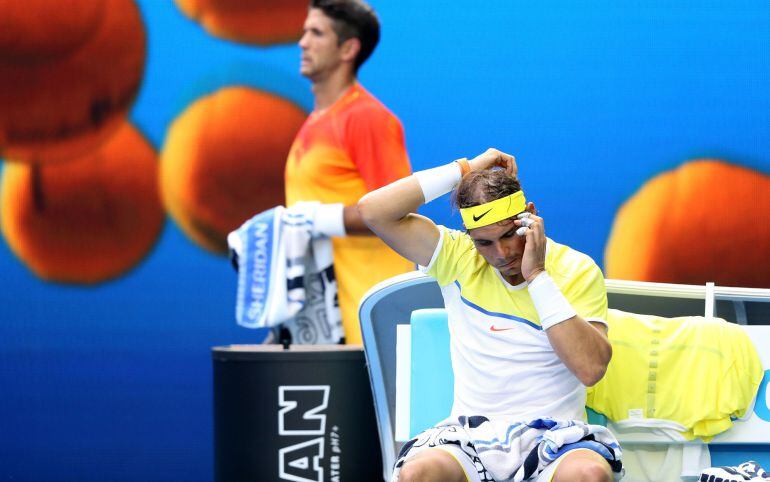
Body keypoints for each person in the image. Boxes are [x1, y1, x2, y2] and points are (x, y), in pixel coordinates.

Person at [358, 149, 621, 482]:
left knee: (588, 475)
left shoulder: (576, 269)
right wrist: (465, 169)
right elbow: (373, 210)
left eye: (510, 234)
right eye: (485, 242)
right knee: (418, 474)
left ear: (530, 215)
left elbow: (591, 369)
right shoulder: (457, 256)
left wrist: (537, 276)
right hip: (471, 437)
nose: (502, 254)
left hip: (555, 438)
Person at [284, 0, 413, 344]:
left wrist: (315, 219)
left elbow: (398, 208)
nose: (302, 42)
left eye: (316, 32)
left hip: (370, 324)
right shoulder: (312, 124)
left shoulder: (367, 118)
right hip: (323, 324)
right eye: (304, 31)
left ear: (348, 48)